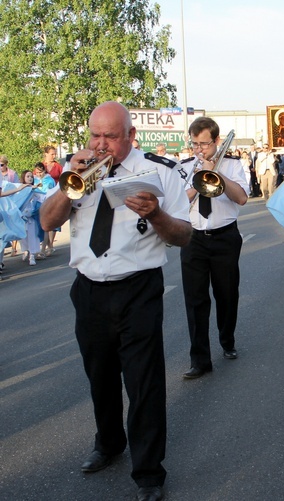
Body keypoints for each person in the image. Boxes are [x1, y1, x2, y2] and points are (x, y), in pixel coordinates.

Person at [40, 101, 192, 501]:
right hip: (88, 288)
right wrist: (69, 181)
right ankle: (109, 443)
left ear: (130, 136)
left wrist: (156, 214)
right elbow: (48, 222)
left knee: (143, 382)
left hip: (138, 288)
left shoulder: (159, 172)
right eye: (95, 135)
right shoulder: (80, 170)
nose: (101, 144)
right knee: (99, 376)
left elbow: (183, 235)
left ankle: (148, 472)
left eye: (110, 136)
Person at [179, 117, 249, 379]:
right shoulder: (184, 166)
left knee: (227, 294)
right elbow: (177, 203)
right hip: (193, 239)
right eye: (195, 144)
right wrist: (198, 179)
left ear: (217, 142)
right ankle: (200, 359)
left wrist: (217, 174)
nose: (200, 150)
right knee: (195, 300)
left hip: (224, 238)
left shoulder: (232, 164)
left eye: (205, 144)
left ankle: (227, 339)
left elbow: (241, 198)